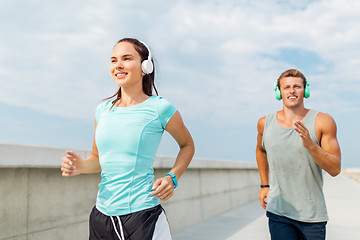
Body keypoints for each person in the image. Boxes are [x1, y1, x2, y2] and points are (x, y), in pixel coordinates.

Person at [61, 38, 195, 240]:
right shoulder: (102, 111)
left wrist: (172, 177)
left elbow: (187, 145)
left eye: (126, 58)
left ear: (144, 67)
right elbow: (97, 160)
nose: (118, 65)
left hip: (142, 218)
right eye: (113, 60)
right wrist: (80, 166)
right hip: (101, 217)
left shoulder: (160, 108)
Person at [255, 69, 341, 240]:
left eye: (297, 87)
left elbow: (335, 168)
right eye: (286, 87)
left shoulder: (323, 121)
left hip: (312, 215)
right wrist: (264, 185)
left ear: (305, 90)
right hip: (278, 211)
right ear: (279, 92)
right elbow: (261, 150)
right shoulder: (265, 123)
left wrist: (311, 145)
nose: (292, 91)